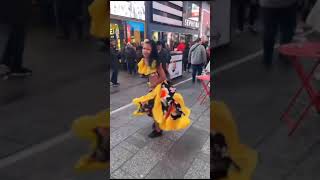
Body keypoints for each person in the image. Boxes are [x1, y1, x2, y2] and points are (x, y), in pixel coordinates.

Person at [132, 39, 191, 138]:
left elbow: (163, 76)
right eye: (144, 48)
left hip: (159, 88)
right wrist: (151, 84)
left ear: (153, 50)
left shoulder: (155, 61)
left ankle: (158, 130)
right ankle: (157, 124)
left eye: (148, 49)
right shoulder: (145, 59)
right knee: (154, 109)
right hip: (154, 88)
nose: (145, 50)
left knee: (156, 109)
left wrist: (153, 85)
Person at [260, 0, 298, 68]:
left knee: (270, 32)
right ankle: (284, 54)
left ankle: (267, 59)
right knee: (287, 31)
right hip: (288, 4)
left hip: (269, 5)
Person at [0, 0, 33, 77]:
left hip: (10, 8)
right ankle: (15, 67)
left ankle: (6, 62)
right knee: (18, 36)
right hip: (18, 8)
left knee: (14, 35)